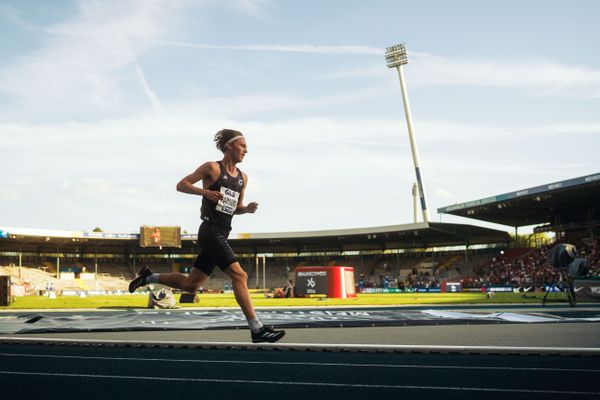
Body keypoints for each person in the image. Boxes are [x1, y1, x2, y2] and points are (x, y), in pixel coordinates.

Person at [129, 129, 285, 343]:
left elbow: (234, 207)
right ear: (229, 146)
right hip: (210, 231)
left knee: (191, 285)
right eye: (243, 146)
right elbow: (181, 185)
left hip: (222, 233)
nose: (246, 150)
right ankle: (257, 329)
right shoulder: (212, 168)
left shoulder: (242, 178)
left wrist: (245, 209)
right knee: (240, 276)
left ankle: (148, 277)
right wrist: (206, 192)